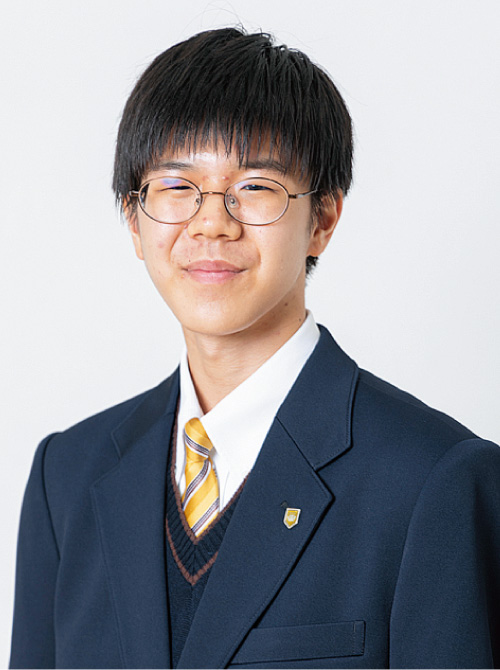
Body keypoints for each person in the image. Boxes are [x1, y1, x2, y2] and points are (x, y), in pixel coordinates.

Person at [9, 27, 500, 670]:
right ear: (133, 218)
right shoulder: (67, 477)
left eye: (256, 186)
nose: (212, 222)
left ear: (323, 219)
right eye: (176, 186)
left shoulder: (435, 481)